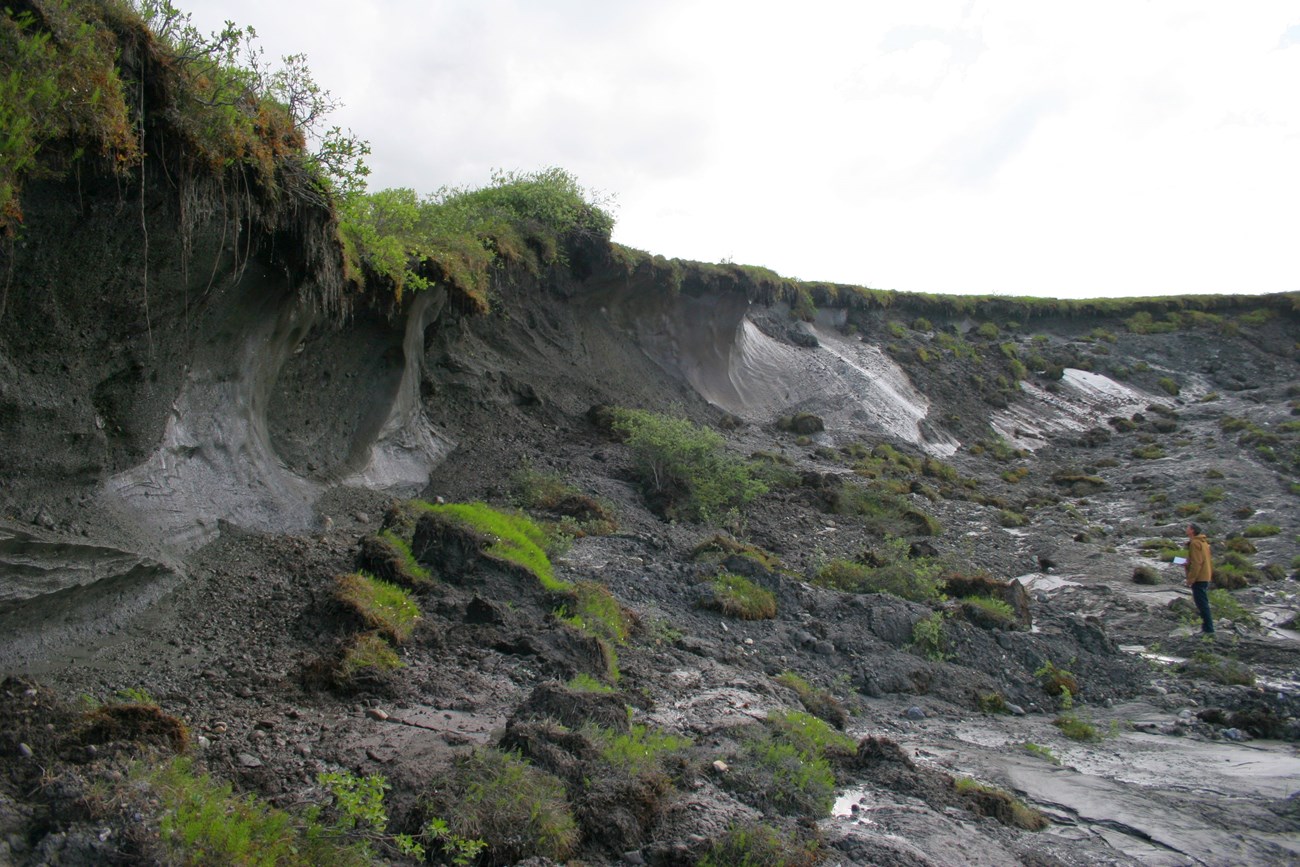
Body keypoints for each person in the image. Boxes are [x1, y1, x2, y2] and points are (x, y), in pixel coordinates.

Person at [1184, 523, 1214, 635]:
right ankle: (1207, 627)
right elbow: (1194, 561)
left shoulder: (1195, 543)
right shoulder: (1203, 542)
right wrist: (1177, 560)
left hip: (1199, 578)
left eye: (1187, 527)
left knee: (1202, 604)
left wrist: (1191, 579)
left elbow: (1197, 563)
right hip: (1205, 576)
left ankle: (1208, 629)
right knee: (1203, 603)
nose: (1186, 529)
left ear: (1192, 530)